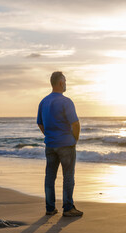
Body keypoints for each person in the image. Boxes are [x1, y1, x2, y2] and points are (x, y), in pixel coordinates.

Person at [37, 71, 83, 217]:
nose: (66, 84)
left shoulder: (44, 101)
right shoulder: (66, 101)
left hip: (50, 144)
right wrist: (74, 139)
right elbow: (75, 123)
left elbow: (40, 123)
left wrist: (49, 135)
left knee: (50, 176)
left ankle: (50, 208)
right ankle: (68, 208)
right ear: (61, 82)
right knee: (68, 176)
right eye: (65, 81)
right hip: (66, 144)